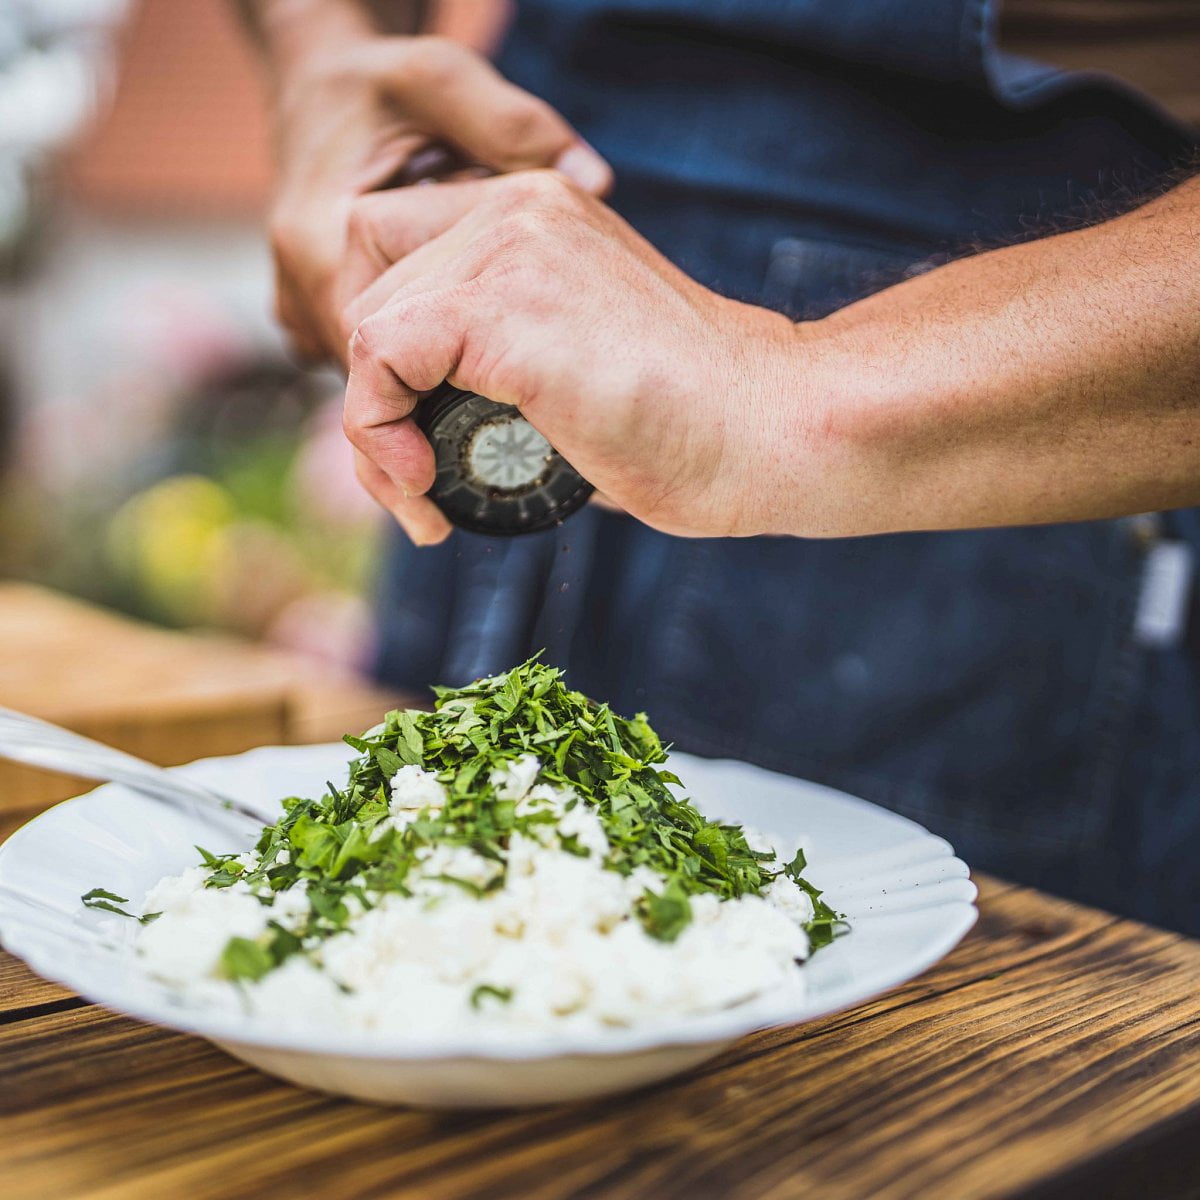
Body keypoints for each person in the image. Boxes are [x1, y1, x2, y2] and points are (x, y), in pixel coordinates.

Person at [236, 1, 1200, 933]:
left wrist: (788, 388)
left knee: (897, 1047)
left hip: (987, 425)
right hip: (495, 312)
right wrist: (322, 52)